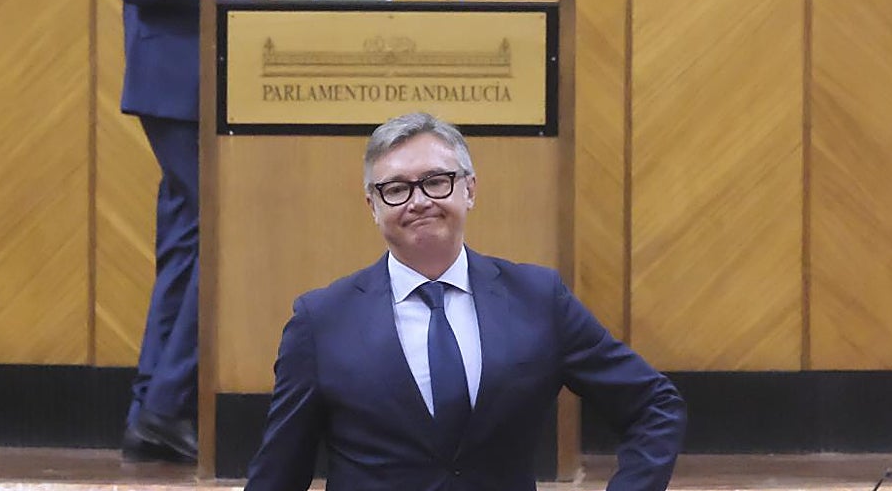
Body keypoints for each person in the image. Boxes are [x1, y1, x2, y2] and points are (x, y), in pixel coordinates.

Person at [245, 112, 687, 491]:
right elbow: (280, 473)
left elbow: (654, 405)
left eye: (436, 182)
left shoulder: (537, 299)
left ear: (470, 190)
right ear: (372, 206)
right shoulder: (321, 321)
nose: (418, 201)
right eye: (395, 189)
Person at [106, 0, 299, 463]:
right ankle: (162, 407)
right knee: (219, 229)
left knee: (188, 243)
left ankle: (150, 410)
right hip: (176, 86)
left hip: (229, 80)